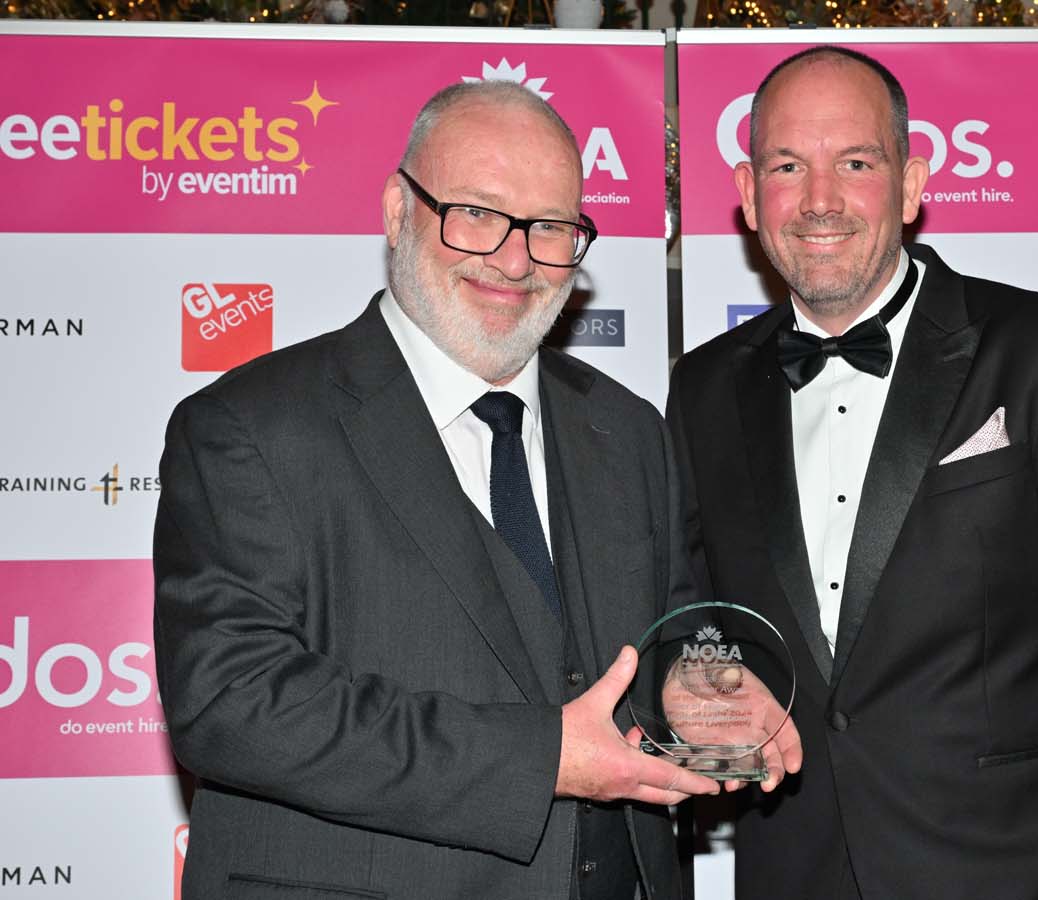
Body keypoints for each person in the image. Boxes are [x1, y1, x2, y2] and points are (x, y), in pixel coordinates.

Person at [153, 81, 726, 900]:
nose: (516, 260)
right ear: (398, 211)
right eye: (478, 214)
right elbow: (231, 701)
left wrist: (711, 699)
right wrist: (544, 759)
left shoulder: (627, 429)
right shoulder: (250, 427)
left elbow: (673, 634)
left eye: (550, 226)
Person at [666, 46, 1038, 900]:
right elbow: (686, 608)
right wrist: (695, 678)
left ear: (911, 186)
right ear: (749, 194)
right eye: (788, 166)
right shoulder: (703, 389)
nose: (820, 199)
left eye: (856, 163)